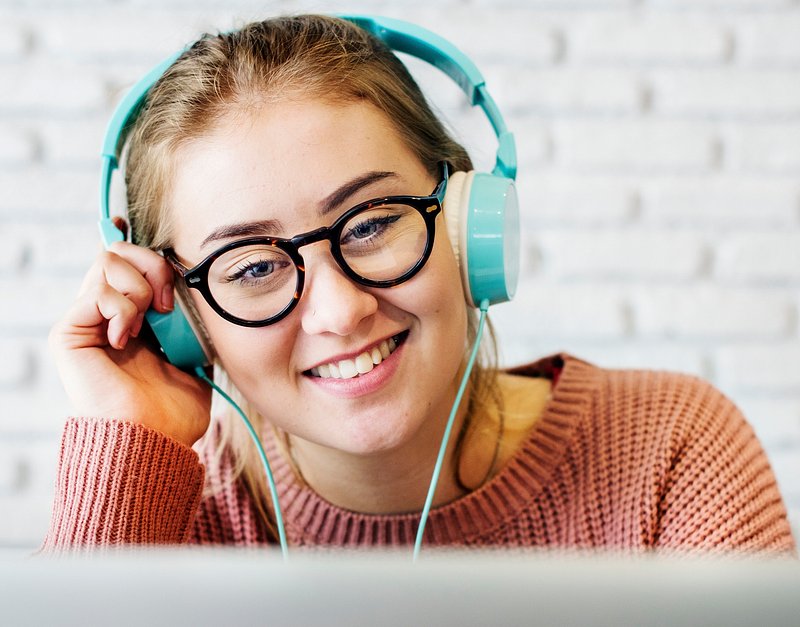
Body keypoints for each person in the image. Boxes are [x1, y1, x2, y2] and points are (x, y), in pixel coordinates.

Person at [44, 15, 795, 554]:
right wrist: (126, 448)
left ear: (467, 225)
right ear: (185, 319)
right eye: (255, 266)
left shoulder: (669, 448)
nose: (339, 310)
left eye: (371, 223)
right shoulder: (164, 523)